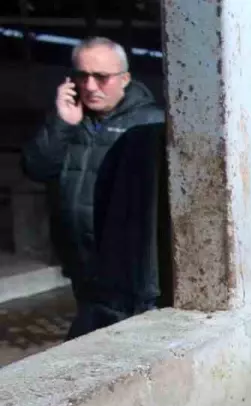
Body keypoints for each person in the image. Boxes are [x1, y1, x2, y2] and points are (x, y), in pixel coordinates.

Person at [21, 36, 167, 340]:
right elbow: (36, 168)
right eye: (81, 76)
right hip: (83, 268)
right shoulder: (70, 121)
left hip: (131, 277)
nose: (89, 86)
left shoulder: (152, 124)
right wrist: (62, 123)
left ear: (125, 79)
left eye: (101, 77)